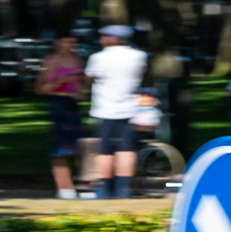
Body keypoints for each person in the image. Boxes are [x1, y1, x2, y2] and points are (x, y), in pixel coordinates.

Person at [84, 25, 147, 199]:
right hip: (129, 109)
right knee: (127, 150)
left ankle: (103, 189)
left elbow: (89, 78)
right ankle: (123, 188)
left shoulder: (97, 57)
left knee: (104, 151)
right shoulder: (139, 56)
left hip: (104, 109)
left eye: (104, 36)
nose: (101, 39)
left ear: (113, 38)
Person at [34, 33, 87, 198]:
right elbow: (40, 89)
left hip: (73, 104)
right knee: (60, 147)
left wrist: (81, 90)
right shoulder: (50, 61)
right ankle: (64, 188)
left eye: (73, 42)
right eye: (65, 41)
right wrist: (61, 81)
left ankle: (82, 185)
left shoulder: (77, 59)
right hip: (58, 103)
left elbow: (82, 84)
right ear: (57, 42)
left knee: (80, 146)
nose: (69, 45)